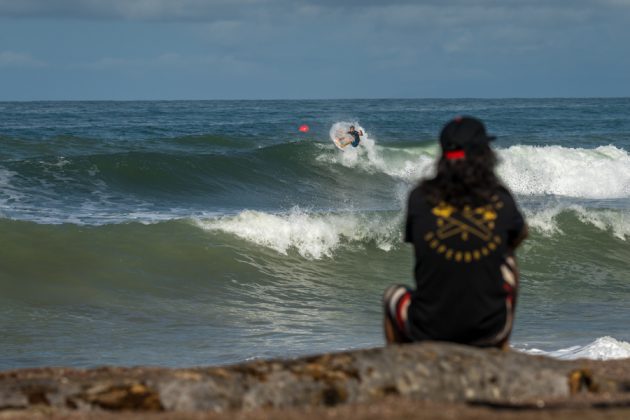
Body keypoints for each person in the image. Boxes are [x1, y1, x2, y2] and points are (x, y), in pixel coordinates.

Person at [383, 116, 527, 349]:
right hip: (489, 331)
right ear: (484, 153)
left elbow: (421, 249)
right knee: (509, 262)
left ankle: (404, 364)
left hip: (427, 329)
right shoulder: (500, 198)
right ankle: (501, 349)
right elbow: (519, 237)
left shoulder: (419, 198)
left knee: (393, 294)